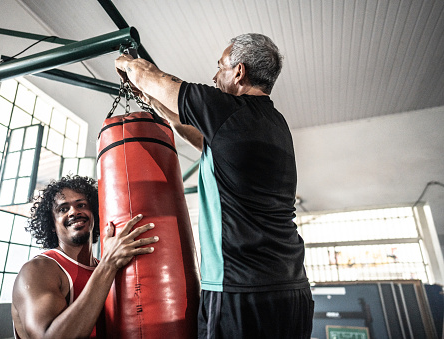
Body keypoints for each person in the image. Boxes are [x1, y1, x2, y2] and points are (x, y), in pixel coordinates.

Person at [115, 33, 314, 338]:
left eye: (221, 66)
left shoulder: (227, 110)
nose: (214, 75)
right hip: (292, 289)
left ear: (239, 71)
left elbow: (151, 76)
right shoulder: (276, 124)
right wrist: (151, 101)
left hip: (240, 292)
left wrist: (126, 62)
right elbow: (199, 136)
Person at [11, 175, 158, 338]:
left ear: (94, 214)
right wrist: (108, 265)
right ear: (52, 224)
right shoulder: (39, 270)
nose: (74, 211)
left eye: (81, 205)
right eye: (63, 209)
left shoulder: (105, 267)